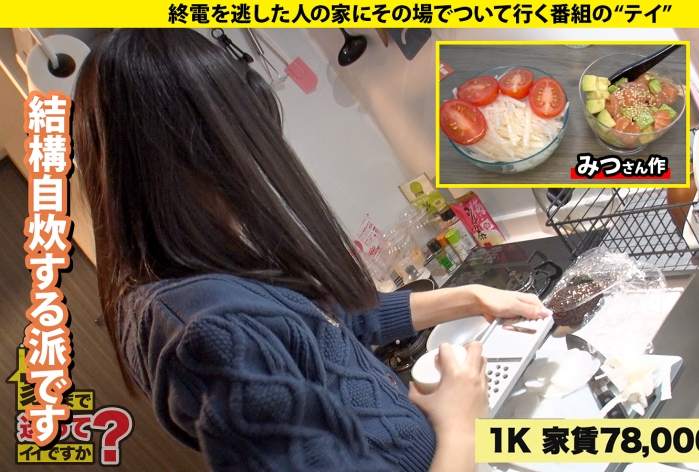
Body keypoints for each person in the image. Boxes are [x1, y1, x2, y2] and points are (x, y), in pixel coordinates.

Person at [72, 29, 552, 472]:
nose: (257, 174)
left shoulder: (199, 280)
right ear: (186, 160)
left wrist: (469, 297)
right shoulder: (213, 332)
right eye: (245, 147)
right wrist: (462, 425)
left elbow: (331, 325)